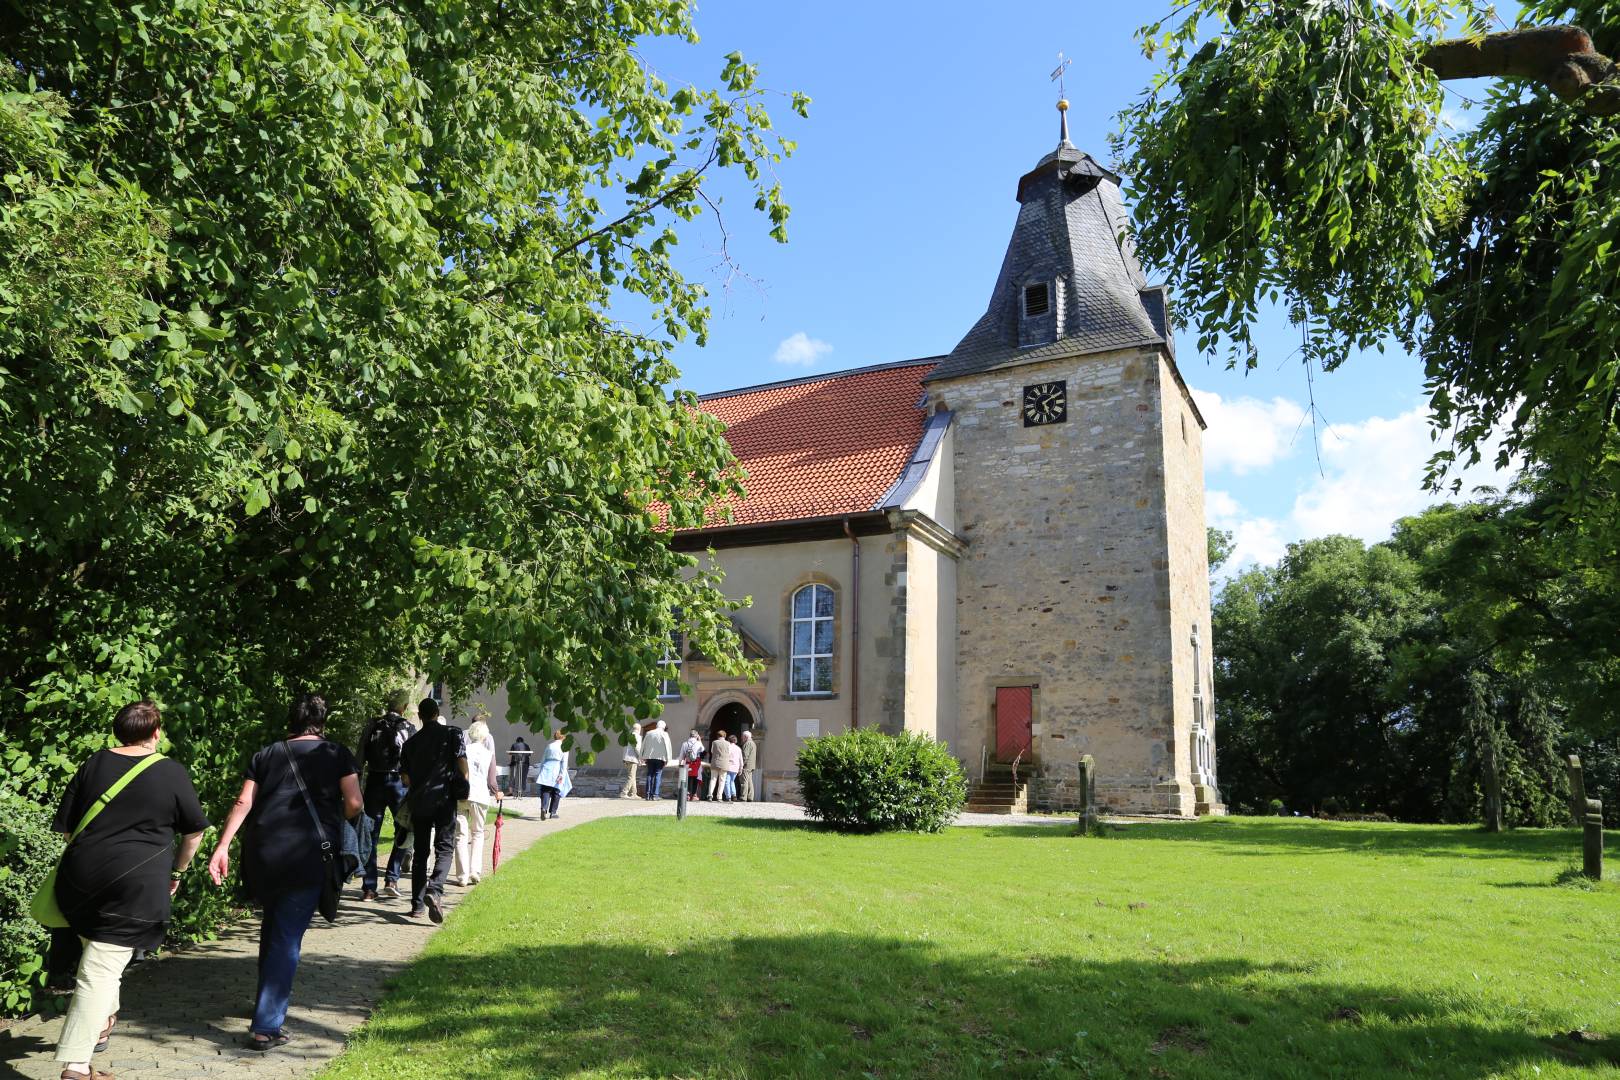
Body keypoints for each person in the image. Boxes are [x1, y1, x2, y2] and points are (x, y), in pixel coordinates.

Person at [51, 701, 208, 1080]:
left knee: (102, 954)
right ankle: (76, 1064)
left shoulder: (94, 764)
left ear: (117, 731)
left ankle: (103, 1021)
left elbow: (68, 827)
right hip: (135, 884)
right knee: (100, 969)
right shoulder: (170, 771)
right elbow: (194, 832)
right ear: (156, 733)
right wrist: (179, 872)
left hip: (80, 878)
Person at [208, 694, 361, 1052]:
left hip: (262, 852)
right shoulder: (336, 754)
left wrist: (222, 846)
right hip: (306, 854)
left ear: (291, 722)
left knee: (274, 927)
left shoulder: (267, 754)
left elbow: (243, 801)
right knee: (287, 938)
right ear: (322, 722)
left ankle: (266, 1003)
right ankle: (266, 1026)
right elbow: (354, 803)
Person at [398, 698, 467, 923]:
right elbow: (462, 764)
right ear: (437, 713)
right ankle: (435, 890)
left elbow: (406, 780)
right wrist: (463, 784)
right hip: (444, 799)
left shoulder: (410, 744)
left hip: (420, 802)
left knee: (420, 854)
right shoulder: (453, 734)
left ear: (420, 716)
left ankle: (417, 906)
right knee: (445, 848)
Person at [355, 690, 413, 901]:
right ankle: (392, 878)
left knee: (371, 834)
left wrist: (357, 787)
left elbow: (359, 758)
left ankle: (369, 887)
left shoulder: (372, 726)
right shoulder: (409, 728)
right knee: (403, 830)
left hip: (375, 783)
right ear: (404, 707)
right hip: (399, 783)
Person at [450, 719, 501, 886]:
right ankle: (475, 871)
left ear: (470, 734)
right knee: (478, 833)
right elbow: (492, 780)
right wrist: (496, 792)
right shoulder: (489, 754)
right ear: (485, 736)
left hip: (462, 795)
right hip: (480, 796)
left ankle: (462, 876)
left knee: (460, 835)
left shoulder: (462, 751)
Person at [535, 731, 569, 820]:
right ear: (563, 737)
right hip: (557, 768)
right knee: (556, 791)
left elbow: (543, 759)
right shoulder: (564, 747)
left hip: (547, 767)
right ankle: (553, 812)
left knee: (545, 790)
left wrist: (541, 770)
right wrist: (561, 774)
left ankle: (543, 808)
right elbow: (564, 762)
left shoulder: (550, 745)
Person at [639, 720, 672, 800]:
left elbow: (643, 745)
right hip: (660, 758)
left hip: (649, 757)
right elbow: (668, 747)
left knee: (649, 775)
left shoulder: (649, 733)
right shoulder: (665, 734)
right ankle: (655, 795)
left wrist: (641, 756)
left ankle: (647, 795)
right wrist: (668, 759)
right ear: (663, 727)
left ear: (657, 726)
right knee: (657, 775)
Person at [680, 730, 705, 801]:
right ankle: (694, 795)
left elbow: (681, 755)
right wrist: (699, 740)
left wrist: (680, 763)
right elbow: (702, 749)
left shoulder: (685, 743)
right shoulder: (698, 743)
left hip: (687, 763)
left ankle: (687, 794)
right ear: (696, 736)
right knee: (695, 778)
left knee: (687, 778)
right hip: (696, 763)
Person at [706, 730, 730, 802]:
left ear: (718, 736)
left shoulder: (714, 742)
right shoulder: (728, 743)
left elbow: (712, 751)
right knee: (722, 781)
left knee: (713, 779)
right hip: (724, 764)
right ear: (724, 736)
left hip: (715, 763)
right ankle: (719, 797)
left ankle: (710, 795)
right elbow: (729, 752)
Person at [618, 731, 640, 799]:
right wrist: (641, 757)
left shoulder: (628, 736)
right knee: (631, 777)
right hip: (632, 759)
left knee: (632, 776)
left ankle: (633, 793)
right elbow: (637, 748)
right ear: (639, 729)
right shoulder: (636, 736)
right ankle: (624, 793)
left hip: (626, 758)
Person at [738, 730, 757, 802]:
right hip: (751, 765)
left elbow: (745, 756)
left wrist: (741, 765)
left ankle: (743, 797)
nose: (742, 738)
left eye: (742, 737)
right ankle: (750, 797)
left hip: (746, 766)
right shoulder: (753, 743)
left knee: (744, 781)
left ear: (745, 737)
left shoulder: (747, 743)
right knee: (749, 781)